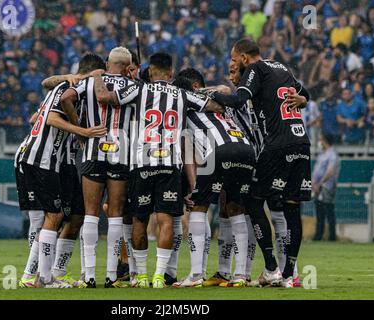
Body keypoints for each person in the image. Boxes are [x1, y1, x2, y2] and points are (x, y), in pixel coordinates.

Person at [92, 52, 224, 289]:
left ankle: (141, 275)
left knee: (139, 219)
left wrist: (98, 76)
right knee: (166, 220)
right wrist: (206, 93)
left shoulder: (139, 90)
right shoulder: (182, 94)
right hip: (169, 165)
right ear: (171, 74)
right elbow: (215, 106)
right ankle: (159, 276)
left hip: (142, 164)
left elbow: (105, 97)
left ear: (150, 71)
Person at [210, 39, 311, 288]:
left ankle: (271, 268)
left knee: (254, 202)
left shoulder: (256, 69)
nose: (234, 63)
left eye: (235, 58)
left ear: (245, 57)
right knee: (291, 208)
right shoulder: (282, 68)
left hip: (277, 145)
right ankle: (289, 274)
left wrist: (209, 94)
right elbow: (304, 93)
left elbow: (238, 100)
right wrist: (304, 101)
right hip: (301, 142)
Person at [15, 53, 107, 288]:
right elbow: (51, 119)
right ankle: (36, 276)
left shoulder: (63, 87)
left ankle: (49, 273)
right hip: (41, 159)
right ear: (96, 73)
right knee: (49, 217)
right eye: (102, 75)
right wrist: (82, 131)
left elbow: (36, 116)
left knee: (68, 215)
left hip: (47, 159)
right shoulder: (70, 88)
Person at [171, 68, 255, 288]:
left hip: (220, 150)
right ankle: (239, 275)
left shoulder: (184, 104)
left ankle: (196, 274)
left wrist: (193, 186)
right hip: (246, 149)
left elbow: (188, 151)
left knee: (199, 207)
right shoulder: (217, 97)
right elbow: (225, 89)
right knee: (236, 208)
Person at [60, 47, 135, 289]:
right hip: (120, 151)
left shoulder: (91, 80)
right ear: (127, 67)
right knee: (115, 214)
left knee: (91, 213)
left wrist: (80, 128)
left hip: (93, 148)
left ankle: (89, 275)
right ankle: (112, 276)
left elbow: (65, 98)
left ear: (107, 62)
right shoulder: (132, 85)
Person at [312, 133, 340, 241]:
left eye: (321, 140)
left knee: (328, 211)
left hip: (326, 187)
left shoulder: (332, 155)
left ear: (325, 141)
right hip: (318, 187)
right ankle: (319, 235)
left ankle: (331, 236)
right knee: (319, 212)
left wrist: (320, 183)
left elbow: (330, 171)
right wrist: (314, 183)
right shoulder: (322, 154)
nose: (320, 142)